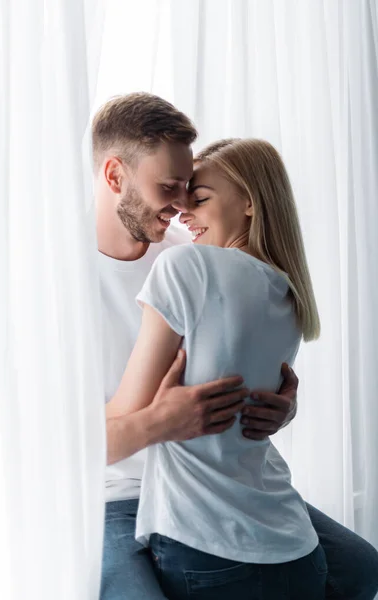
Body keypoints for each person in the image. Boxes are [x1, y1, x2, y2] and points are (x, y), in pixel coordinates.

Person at [95, 92, 378, 599]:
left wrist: (280, 408)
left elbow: (244, 354)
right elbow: (49, 452)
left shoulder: (196, 252)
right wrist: (162, 421)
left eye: (191, 191)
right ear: (115, 177)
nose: (183, 207)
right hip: (115, 492)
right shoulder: (51, 291)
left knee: (359, 568)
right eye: (170, 187)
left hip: (212, 479)